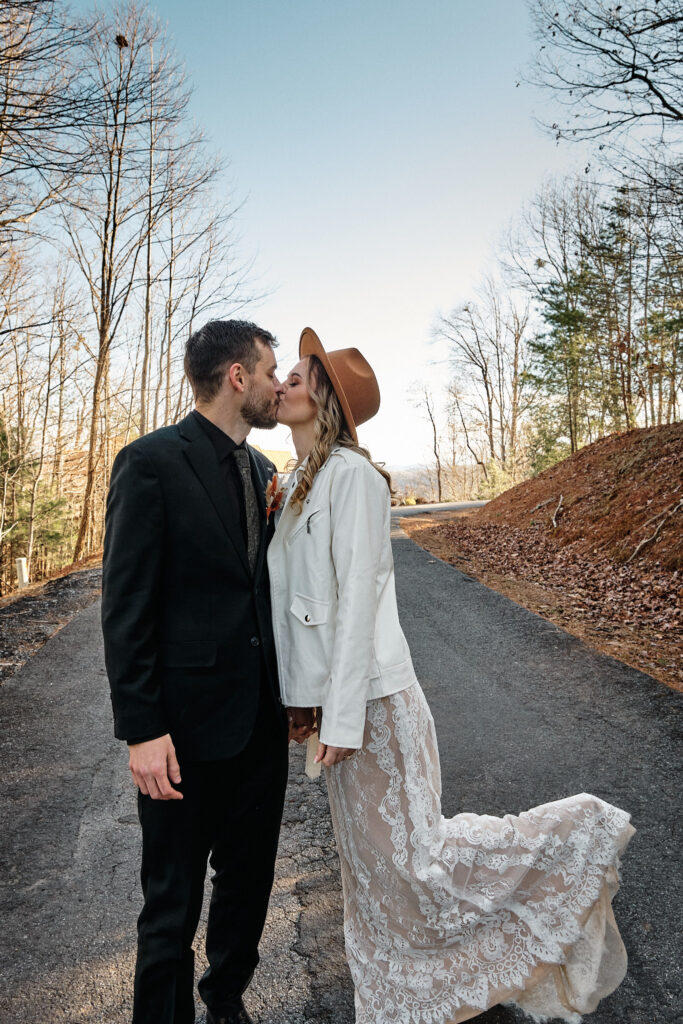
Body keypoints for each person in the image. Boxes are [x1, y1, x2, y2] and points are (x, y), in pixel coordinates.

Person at [268, 326, 635, 1024]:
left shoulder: (352, 478)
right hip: (339, 708)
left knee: (417, 864)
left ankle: (572, 834)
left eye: (295, 378)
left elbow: (355, 608)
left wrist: (339, 717)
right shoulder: (292, 486)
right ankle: (399, 998)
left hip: (375, 706)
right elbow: (296, 609)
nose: (281, 385)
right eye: (281, 375)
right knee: (374, 876)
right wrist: (300, 702)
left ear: (325, 402)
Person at [101, 320, 291, 1024]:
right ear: (237, 376)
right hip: (180, 732)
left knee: (248, 883)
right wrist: (142, 730)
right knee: (171, 900)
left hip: (260, 725)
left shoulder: (266, 472)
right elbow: (126, 607)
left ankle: (226, 1002)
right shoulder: (149, 461)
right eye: (271, 371)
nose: (279, 385)